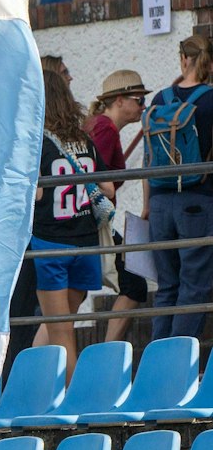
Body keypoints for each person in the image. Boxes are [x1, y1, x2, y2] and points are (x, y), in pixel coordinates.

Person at [27, 61, 101, 370]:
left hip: (51, 243)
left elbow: (38, 194)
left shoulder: (37, 143)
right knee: (55, 326)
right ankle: (34, 389)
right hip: (86, 242)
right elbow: (107, 188)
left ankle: (70, 406)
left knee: (62, 334)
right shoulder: (85, 141)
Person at [144, 35, 213, 342]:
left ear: (183, 59)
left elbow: (148, 159)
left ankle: (158, 361)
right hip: (197, 199)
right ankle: (177, 363)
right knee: (195, 285)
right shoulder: (210, 99)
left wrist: (147, 206)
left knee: (167, 286)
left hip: (159, 202)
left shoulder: (160, 99)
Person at [90, 71, 150, 344]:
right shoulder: (105, 129)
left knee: (71, 294)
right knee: (134, 284)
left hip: (89, 222)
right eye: (138, 100)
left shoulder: (100, 126)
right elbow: (90, 176)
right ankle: (107, 353)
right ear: (118, 100)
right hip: (92, 223)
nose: (143, 107)